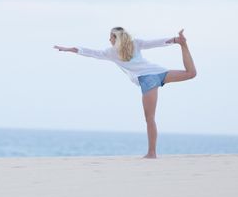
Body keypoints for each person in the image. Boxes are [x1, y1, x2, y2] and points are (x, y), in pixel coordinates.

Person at [53, 27, 197, 159]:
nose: (109, 40)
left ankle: (152, 153)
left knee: (150, 118)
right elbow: (157, 43)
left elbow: (92, 53)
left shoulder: (112, 52)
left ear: (116, 38)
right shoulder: (135, 44)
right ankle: (184, 45)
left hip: (148, 80)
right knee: (191, 73)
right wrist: (176, 41)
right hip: (159, 72)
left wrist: (70, 49)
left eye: (110, 37)